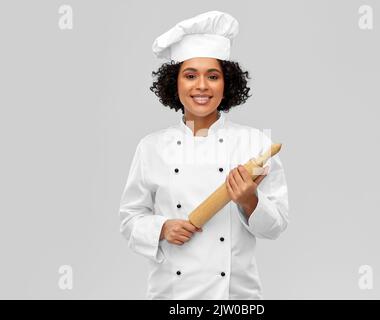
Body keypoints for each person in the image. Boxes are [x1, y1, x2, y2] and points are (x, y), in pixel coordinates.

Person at [119, 10, 289, 299]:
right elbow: (130, 219)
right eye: (190, 76)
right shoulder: (151, 148)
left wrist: (250, 200)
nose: (201, 86)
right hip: (172, 295)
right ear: (175, 83)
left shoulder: (255, 145)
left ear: (227, 84)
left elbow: (276, 227)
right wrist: (161, 228)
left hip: (236, 298)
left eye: (213, 76)